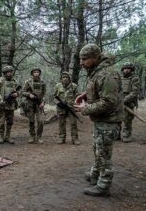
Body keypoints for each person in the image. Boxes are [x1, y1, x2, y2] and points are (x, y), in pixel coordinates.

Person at [74, 43, 124, 197]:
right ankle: (95, 175)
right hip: (101, 121)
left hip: (108, 121)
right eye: (81, 59)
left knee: (104, 155)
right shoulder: (97, 72)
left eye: (85, 59)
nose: (81, 63)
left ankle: (103, 185)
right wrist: (86, 95)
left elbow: (108, 102)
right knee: (98, 150)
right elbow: (101, 92)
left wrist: (85, 109)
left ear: (95, 58)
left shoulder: (106, 74)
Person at [0, 65, 20, 144]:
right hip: (2, 105)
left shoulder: (14, 81)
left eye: (11, 72)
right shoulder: (0, 81)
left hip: (11, 104)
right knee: (1, 122)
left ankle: (8, 136)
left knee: (10, 121)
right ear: (4, 73)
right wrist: (1, 100)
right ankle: (1, 136)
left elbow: (18, 91)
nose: (9, 73)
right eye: (7, 72)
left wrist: (16, 94)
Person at [53, 72, 80, 145]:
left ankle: (75, 138)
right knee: (61, 123)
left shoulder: (74, 86)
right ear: (61, 79)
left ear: (69, 78)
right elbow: (55, 97)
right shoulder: (58, 86)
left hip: (71, 108)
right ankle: (62, 138)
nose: (65, 79)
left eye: (67, 77)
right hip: (61, 108)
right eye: (63, 77)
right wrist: (58, 103)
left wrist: (77, 105)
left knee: (73, 123)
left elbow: (77, 97)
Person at [21, 67, 46, 144]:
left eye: (37, 72)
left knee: (41, 121)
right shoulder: (28, 82)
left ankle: (39, 137)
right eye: (34, 72)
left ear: (39, 73)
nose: (36, 73)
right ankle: (32, 136)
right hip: (30, 104)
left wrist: (43, 102)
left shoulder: (42, 82)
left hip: (39, 104)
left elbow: (44, 94)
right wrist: (29, 95)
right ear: (32, 73)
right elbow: (22, 92)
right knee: (31, 121)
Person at [121, 62, 140, 143]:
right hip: (118, 103)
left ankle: (127, 135)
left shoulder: (135, 78)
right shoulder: (120, 77)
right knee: (116, 119)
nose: (126, 70)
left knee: (127, 120)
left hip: (129, 103)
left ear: (131, 70)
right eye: (125, 68)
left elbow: (135, 92)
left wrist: (124, 100)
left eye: (128, 68)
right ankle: (116, 135)